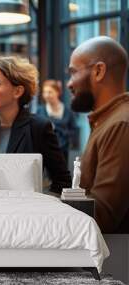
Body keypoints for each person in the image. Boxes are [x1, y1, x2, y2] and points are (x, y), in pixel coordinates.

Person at [0, 56, 71, 194]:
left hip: (24, 211)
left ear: (18, 91)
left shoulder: (39, 127)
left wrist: (42, 204)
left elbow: (62, 181)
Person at [67, 36, 129, 233]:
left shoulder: (120, 125)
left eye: (73, 72)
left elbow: (102, 214)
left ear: (99, 71)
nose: (69, 83)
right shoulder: (107, 120)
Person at [37, 79, 77, 163]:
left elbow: (73, 130)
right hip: (44, 152)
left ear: (58, 92)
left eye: (50, 92)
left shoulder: (68, 111)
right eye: (45, 92)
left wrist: (65, 137)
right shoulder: (40, 111)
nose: (47, 95)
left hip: (62, 151)